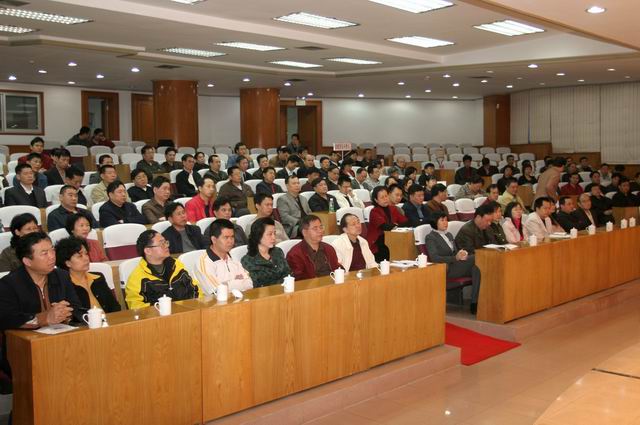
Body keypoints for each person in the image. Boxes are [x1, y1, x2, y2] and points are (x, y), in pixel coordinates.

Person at [0, 232, 83, 331]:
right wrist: (44, 318)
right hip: (26, 338)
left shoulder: (62, 276)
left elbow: (76, 307)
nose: (52, 256)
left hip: (61, 334)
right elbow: (7, 318)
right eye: (44, 253)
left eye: (52, 250)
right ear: (27, 261)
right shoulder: (8, 284)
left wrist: (65, 313)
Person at [126, 230, 201, 309]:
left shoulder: (176, 265)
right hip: (158, 315)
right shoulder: (137, 278)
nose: (166, 246)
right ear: (148, 251)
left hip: (188, 311)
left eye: (166, 242)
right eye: (161, 244)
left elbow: (195, 289)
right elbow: (136, 308)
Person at [425, 211, 481, 314]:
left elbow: (455, 252)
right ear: (434, 222)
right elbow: (435, 258)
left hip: (456, 265)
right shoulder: (430, 237)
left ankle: (474, 303)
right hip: (446, 268)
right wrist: (455, 258)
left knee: (476, 269)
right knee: (478, 257)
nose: (445, 222)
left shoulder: (449, 235)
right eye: (442, 220)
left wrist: (461, 254)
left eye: (446, 220)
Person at [55, 237, 120, 313]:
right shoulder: (64, 285)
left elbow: (115, 307)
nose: (86, 258)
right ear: (68, 263)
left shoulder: (98, 277)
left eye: (86, 254)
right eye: (80, 256)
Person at [193, 219, 253, 295]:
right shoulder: (204, 262)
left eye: (232, 237)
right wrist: (238, 282)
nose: (230, 241)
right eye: (226, 237)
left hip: (237, 300)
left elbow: (249, 284)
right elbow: (216, 291)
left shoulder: (232, 258)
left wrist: (226, 284)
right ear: (214, 240)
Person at [286, 215, 340, 280]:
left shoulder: (329, 249)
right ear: (304, 232)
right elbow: (299, 280)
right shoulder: (295, 254)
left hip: (333, 283)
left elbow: (336, 269)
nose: (320, 231)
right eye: (315, 228)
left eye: (321, 227)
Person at [241, 218, 291, 287]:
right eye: (270, 234)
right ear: (258, 235)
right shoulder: (248, 260)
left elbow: (288, 274)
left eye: (274, 233)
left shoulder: (278, 252)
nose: (274, 237)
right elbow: (255, 284)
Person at [366, 186, 408, 262]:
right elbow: (385, 226)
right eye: (382, 197)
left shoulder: (393, 209)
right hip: (378, 243)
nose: (385, 199)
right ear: (376, 200)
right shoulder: (374, 211)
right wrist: (395, 225)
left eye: (386, 196)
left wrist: (394, 225)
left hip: (392, 238)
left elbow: (406, 222)